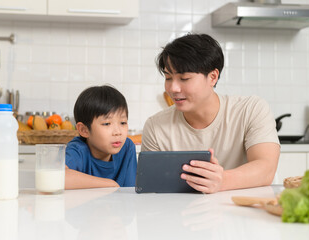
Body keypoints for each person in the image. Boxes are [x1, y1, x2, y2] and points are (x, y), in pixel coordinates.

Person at [141, 33, 280, 194]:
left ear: (213, 77)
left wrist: (222, 180)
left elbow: (266, 168)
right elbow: (151, 186)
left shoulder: (251, 109)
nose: (173, 88)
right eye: (168, 77)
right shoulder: (156, 126)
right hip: (180, 215)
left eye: (184, 78)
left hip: (242, 212)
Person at [65, 85, 137, 189]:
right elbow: (57, 178)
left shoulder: (127, 147)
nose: (117, 132)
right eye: (107, 124)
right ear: (84, 130)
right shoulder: (78, 150)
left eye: (123, 122)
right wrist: (110, 184)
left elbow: (130, 192)